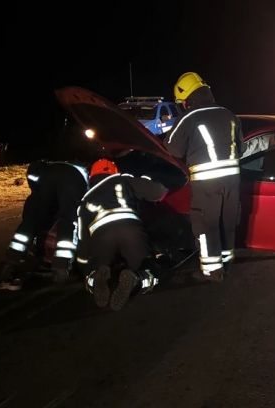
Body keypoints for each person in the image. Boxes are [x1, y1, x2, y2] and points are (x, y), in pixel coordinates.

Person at [165, 72, 243, 282]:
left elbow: (172, 148)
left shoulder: (188, 117)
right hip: (233, 180)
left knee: (205, 224)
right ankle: (226, 261)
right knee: (227, 221)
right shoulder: (229, 114)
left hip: (206, 181)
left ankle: (211, 271)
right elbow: (241, 148)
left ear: (187, 99)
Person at [76, 158, 167, 310]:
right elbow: (158, 191)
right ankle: (137, 279)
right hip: (130, 228)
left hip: (100, 235)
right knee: (148, 268)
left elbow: (83, 239)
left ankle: (95, 278)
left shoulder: (85, 200)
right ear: (114, 171)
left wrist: (84, 264)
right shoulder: (122, 180)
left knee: (94, 270)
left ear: (91, 177)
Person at [0, 160, 88, 291]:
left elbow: (35, 217)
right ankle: (61, 269)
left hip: (46, 179)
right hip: (71, 180)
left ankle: (10, 266)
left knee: (30, 223)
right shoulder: (79, 175)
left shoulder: (44, 174)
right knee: (67, 222)